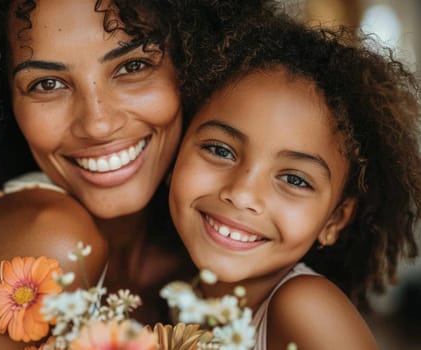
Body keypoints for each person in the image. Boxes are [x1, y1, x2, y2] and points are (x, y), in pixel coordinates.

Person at [0, 0, 275, 349]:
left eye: (132, 66)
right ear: (0, 99)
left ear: (192, 64)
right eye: (48, 83)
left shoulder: (218, 238)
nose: (97, 124)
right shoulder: (50, 239)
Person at [168, 13, 421, 350]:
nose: (242, 194)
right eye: (219, 150)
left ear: (334, 220)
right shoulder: (178, 293)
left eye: (294, 179)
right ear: (177, 147)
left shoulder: (305, 306)